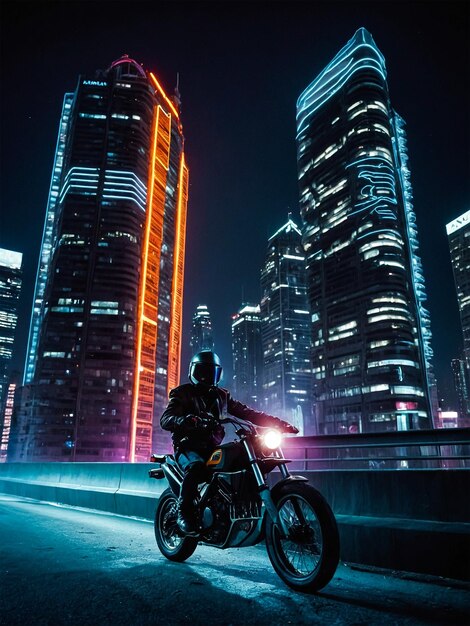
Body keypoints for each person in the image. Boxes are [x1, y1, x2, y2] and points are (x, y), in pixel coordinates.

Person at [160, 350, 299, 535]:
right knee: (195, 467)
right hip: (187, 447)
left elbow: (249, 413)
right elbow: (166, 419)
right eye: (202, 372)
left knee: (242, 456)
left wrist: (279, 423)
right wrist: (184, 420)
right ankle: (183, 514)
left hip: (211, 447)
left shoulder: (222, 396)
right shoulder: (182, 393)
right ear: (193, 372)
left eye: (211, 372)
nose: (206, 377)